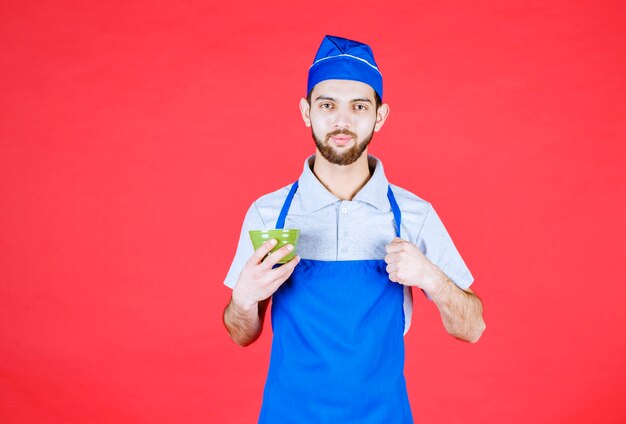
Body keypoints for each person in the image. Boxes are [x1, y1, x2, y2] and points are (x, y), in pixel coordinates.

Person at [222, 35, 486, 423]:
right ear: (306, 111)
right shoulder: (270, 213)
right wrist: (242, 299)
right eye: (327, 105)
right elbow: (241, 333)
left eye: (358, 107)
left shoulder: (413, 215)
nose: (342, 121)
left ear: (379, 116)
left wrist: (433, 278)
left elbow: (474, 328)